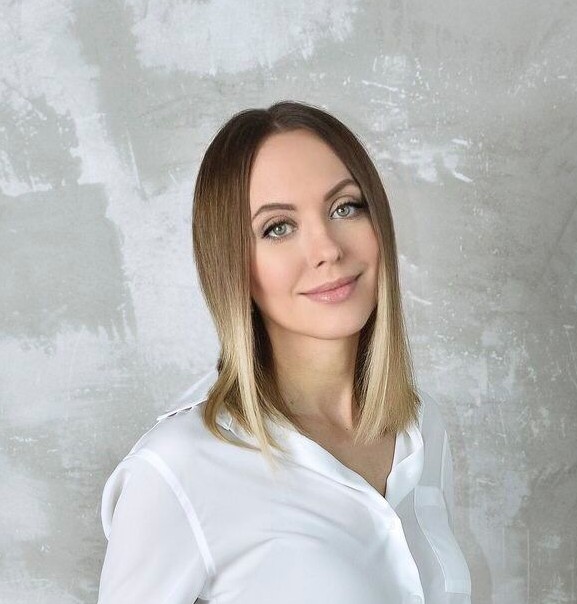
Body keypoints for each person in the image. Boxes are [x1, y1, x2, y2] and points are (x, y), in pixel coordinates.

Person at [97, 101, 472, 603]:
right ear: (233, 265)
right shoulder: (177, 467)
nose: (327, 249)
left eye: (345, 207)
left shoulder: (421, 428)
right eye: (278, 227)